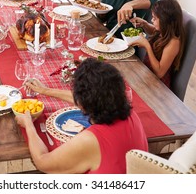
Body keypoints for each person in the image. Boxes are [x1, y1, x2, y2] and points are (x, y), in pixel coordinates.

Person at [15, 58, 148, 174]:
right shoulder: (131, 114)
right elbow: (92, 98)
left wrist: (28, 124)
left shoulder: (91, 140)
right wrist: (45, 91)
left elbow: (42, 163)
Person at [129, 0, 185, 88]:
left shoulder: (174, 42)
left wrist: (147, 46)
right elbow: (154, 31)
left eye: (154, 18)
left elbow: (159, 73)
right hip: (147, 73)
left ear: (164, 20)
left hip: (158, 85)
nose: (152, 20)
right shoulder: (163, 31)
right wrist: (144, 24)